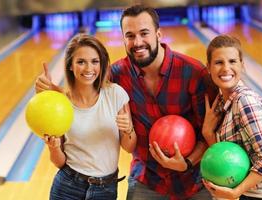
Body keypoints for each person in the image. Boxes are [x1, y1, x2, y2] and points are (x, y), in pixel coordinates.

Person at [36, 5, 217, 200]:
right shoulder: (117, 75)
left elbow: (210, 131)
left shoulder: (193, 72)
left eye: (144, 33)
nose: (137, 42)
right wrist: (54, 92)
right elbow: (85, 89)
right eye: (130, 35)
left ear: (158, 34)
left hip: (193, 180)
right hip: (147, 178)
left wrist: (187, 163)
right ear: (123, 39)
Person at [42, 34, 137, 200]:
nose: (88, 69)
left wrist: (129, 129)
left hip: (105, 190)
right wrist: (54, 147)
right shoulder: (62, 104)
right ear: (70, 65)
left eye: (95, 61)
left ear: (101, 64)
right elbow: (59, 162)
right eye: (81, 62)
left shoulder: (115, 94)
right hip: (67, 187)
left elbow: (129, 147)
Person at [202, 34, 262, 200]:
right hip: (250, 193)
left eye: (232, 61)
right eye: (219, 62)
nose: (226, 68)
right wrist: (208, 134)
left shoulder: (245, 101)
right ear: (208, 67)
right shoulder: (222, 103)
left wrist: (235, 192)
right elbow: (226, 157)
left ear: (242, 65)